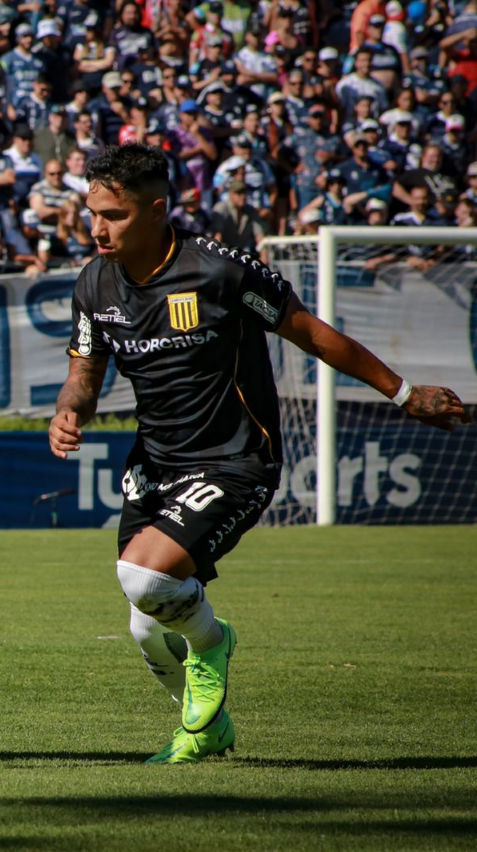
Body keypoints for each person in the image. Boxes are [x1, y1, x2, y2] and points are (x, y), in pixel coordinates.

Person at [47, 144, 470, 765]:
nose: (98, 227)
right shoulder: (94, 282)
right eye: (92, 212)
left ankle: (214, 644)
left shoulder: (220, 271)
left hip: (234, 458)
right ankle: (205, 732)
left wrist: (404, 393)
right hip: (155, 464)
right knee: (146, 624)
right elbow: (84, 372)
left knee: (145, 577)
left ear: (158, 210)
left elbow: (313, 333)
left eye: (114, 214)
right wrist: (69, 410)